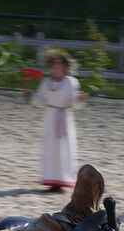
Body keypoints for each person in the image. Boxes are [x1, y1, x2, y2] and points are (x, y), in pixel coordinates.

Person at [30, 49, 86, 192]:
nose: (57, 65)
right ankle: (51, 180)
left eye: (60, 63)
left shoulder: (71, 82)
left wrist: (79, 99)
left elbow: (73, 101)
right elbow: (40, 100)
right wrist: (30, 96)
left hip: (64, 117)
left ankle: (63, 179)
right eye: (55, 62)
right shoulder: (46, 81)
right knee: (50, 148)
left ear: (65, 65)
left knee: (64, 148)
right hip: (50, 116)